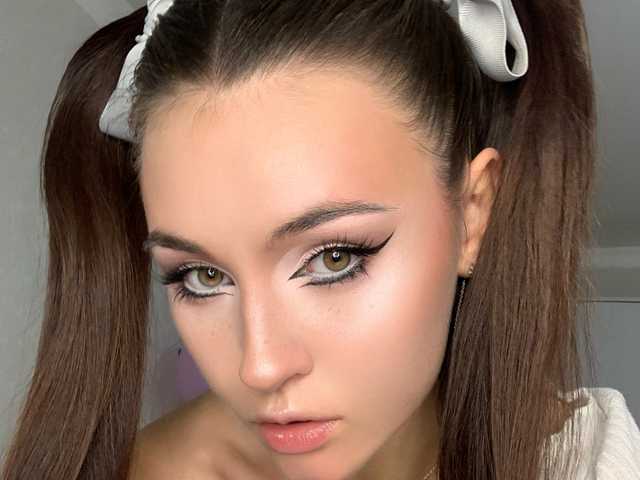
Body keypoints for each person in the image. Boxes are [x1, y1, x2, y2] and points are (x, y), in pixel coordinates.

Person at [2, 0, 639, 479]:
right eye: (203, 276)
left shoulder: (588, 459)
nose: (260, 367)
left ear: (474, 214)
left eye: (334, 259)